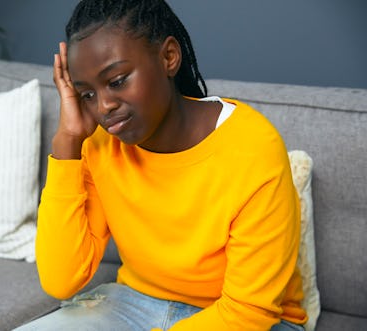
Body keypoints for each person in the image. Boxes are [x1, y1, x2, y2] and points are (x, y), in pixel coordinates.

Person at [16, 0, 308, 330]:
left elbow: (248, 312)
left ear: (168, 57)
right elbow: (61, 280)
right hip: (135, 303)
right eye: (87, 95)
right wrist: (67, 146)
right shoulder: (98, 144)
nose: (104, 106)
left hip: (247, 320)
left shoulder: (253, 149)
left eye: (117, 80)